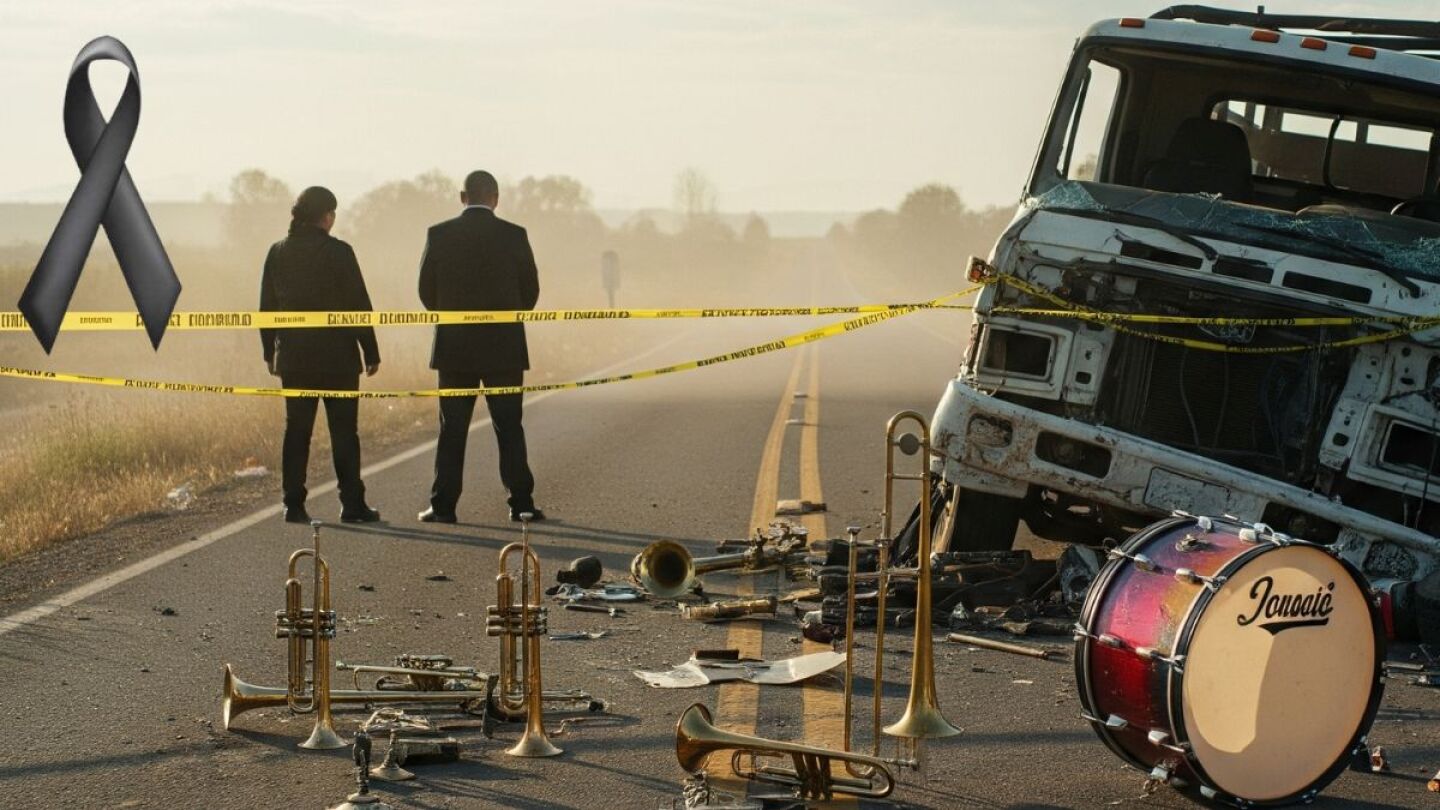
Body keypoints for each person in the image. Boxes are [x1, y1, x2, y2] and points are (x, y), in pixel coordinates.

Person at [417, 170, 543, 523]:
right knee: (509, 426)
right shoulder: (514, 235)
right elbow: (530, 291)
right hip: (505, 347)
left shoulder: (438, 234)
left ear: (462, 196)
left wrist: (452, 318)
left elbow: (426, 291)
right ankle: (521, 503)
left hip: (454, 350)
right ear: (496, 198)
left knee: (452, 429)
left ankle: (443, 505)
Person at [259, 186, 382, 524]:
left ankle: (293, 504)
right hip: (338, 359)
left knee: (296, 431)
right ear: (326, 216)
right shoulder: (340, 252)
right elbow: (359, 303)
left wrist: (270, 352)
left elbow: (266, 307)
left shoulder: (277, 252)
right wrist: (370, 350)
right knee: (344, 432)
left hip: (295, 360)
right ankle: (352, 504)